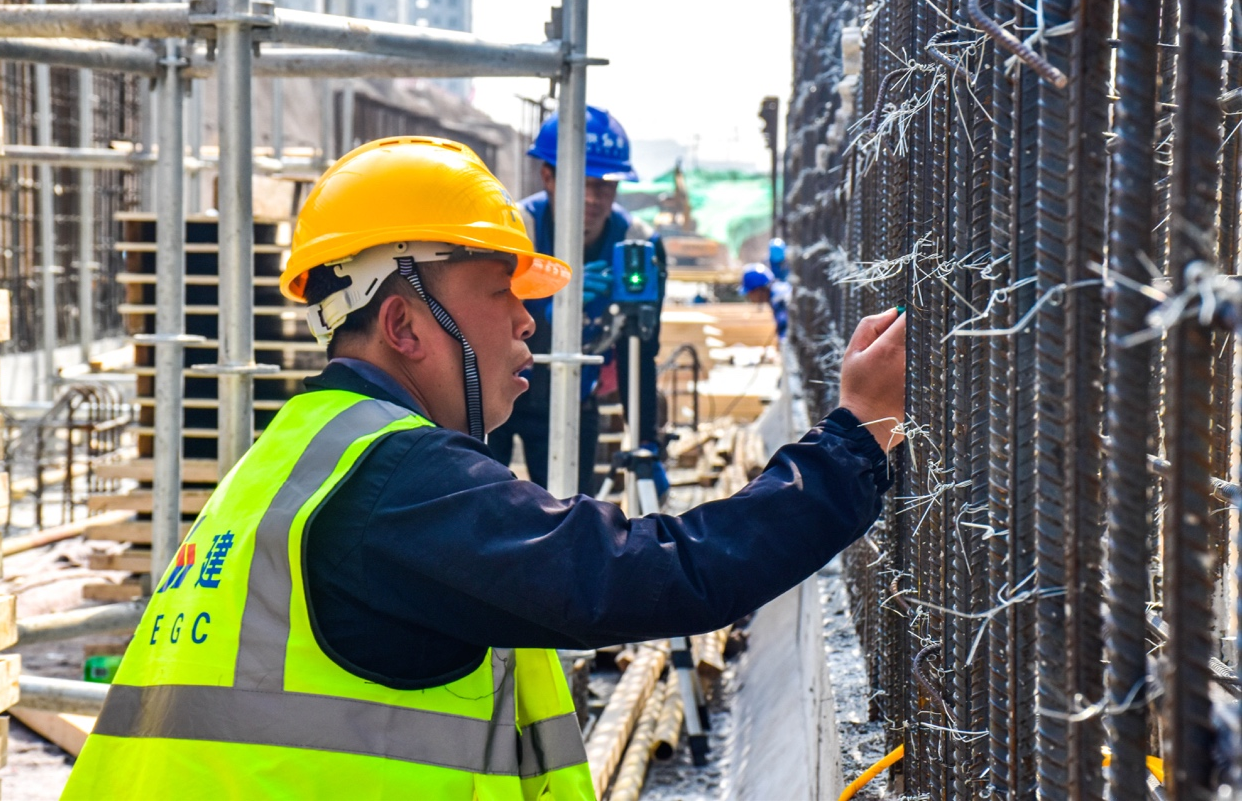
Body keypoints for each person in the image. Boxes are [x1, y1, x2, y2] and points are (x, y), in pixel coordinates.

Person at [62, 137, 906, 800]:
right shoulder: (396, 485)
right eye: (500, 289)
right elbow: (646, 574)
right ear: (404, 323)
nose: (529, 317)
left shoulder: (299, 455)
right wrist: (852, 442)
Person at [487, 105, 667, 497]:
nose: (591, 196)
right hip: (495, 399)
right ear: (548, 176)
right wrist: (549, 315)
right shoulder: (516, 232)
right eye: (580, 181)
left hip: (572, 403)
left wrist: (647, 443)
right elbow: (476, 329)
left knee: (569, 521)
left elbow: (640, 353)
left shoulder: (637, 243)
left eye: (604, 184)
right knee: (480, 516)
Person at [742, 262, 792, 339]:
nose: (749, 297)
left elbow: (784, 335)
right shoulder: (777, 292)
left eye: (750, 293)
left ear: (758, 289)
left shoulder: (779, 300)